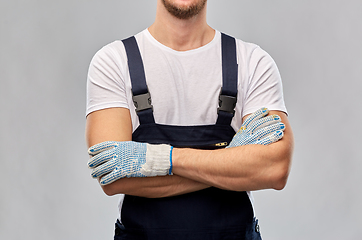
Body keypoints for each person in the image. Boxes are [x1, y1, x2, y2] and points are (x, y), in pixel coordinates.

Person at [85, 0, 294, 239]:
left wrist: (157, 159)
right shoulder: (113, 62)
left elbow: (275, 169)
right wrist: (231, 158)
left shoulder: (252, 62)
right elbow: (113, 177)